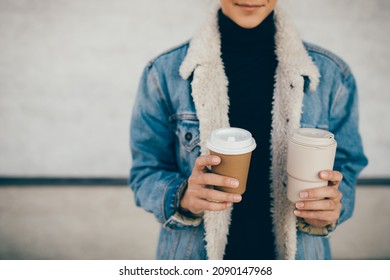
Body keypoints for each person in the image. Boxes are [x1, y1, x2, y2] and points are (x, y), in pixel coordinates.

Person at [129, 0, 368, 260]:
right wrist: (182, 197)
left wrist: (331, 208)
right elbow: (145, 171)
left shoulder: (332, 75)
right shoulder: (163, 73)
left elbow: (347, 166)